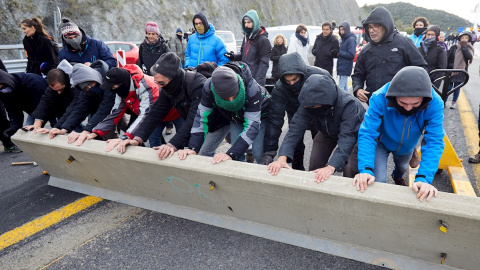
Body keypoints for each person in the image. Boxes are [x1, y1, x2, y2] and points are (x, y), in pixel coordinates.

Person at [352, 66, 444, 202]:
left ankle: (398, 175)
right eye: (403, 103)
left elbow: (434, 141)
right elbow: (367, 133)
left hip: (407, 145)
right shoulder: (379, 97)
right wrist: (365, 168)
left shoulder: (435, 103)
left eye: (415, 104)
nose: (408, 108)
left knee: (402, 167)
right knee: (377, 181)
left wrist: (424, 178)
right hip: (382, 142)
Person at [267, 73, 364, 183]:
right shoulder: (308, 103)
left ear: (324, 101)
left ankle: (348, 195)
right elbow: (295, 129)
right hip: (327, 132)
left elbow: (347, 138)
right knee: (315, 163)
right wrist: (282, 158)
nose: (307, 108)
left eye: (311, 107)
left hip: (355, 135)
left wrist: (331, 167)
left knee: (350, 168)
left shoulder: (350, 105)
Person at [110, 52, 206, 158]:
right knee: (188, 150)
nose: (159, 87)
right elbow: (155, 113)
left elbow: (193, 120)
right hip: (191, 119)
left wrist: (172, 144)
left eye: (161, 83)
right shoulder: (167, 87)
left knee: (203, 152)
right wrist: (137, 138)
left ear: (173, 78)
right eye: (156, 82)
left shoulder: (197, 85)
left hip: (214, 122)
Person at [178, 63, 270, 164]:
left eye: (234, 96)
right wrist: (193, 148)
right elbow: (201, 118)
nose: (231, 101)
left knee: (258, 153)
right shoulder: (208, 89)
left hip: (260, 115)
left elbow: (252, 127)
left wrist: (231, 154)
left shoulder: (253, 90)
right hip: (235, 117)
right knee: (236, 153)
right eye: (225, 98)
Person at [259, 52, 328, 170]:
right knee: (296, 146)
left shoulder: (319, 76)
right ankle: (297, 172)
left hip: (318, 114)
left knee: (319, 146)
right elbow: (275, 119)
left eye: (295, 79)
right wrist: (269, 152)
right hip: (295, 114)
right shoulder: (280, 89)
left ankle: (319, 171)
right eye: (288, 81)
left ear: (301, 73)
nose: (291, 83)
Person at [84, 64, 180, 147]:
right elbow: (115, 113)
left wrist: (126, 136)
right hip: (155, 117)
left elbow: (145, 114)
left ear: (122, 83)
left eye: (113, 87)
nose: (112, 90)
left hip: (174, 112)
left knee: (180, 142)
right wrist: (96, 131)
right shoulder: (121, 90)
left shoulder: (146, 86)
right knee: (154, 141)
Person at [352, 6, 427, 104]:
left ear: (386, 25)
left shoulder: (404, 43)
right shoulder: (365, 50)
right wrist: (358, 89)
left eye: (376, 26)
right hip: (374, 104)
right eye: (369, 27)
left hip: (400, 106)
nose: (371, 30)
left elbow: (422, 69)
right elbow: (358, 75)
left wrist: (411, 93)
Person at [46, 60, 116, 144]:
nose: (89, 89)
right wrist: (63, 129)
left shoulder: (109, 80)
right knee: (99, 135)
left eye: (90, 85)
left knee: (123, 129)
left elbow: (105, 109)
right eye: (86, 88)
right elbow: (80, 110)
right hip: (98, 108)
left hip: (117, 107)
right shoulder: (84, 91)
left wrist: (86, 130)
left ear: (94, 78)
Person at [24, 61, 79, 132]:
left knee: (75, 126)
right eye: (55, 90)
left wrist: (56, 127)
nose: (58, 92)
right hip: (62, 108)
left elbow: (72, 109)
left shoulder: (76, 85)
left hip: (76, 107)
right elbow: (45, 102)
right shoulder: (52, 87)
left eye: (60, 89)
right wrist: (37, 122)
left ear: (66, 81)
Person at [224, 9, 271, 87]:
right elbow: (242, 55)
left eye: (249, 22)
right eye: (245, 22)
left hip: (255, 80)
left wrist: (257, 83)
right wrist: (233, 56)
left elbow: (264, 64)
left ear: (255, 23)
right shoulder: (246, 38)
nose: (246, 25)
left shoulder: (263, 40)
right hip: (244, 76)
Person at [0, 69, 48, 144]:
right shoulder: (4, 93)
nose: (3, 90)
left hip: (52, 106)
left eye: (3, 87)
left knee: (59, 129)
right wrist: (14, 126)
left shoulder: (34, 83)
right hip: (33, 110)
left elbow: (43, 107)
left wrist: (37, 124)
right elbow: (13, 109)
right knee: (27, 133)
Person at [447, 30, 474, 109]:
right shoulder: (454, 47)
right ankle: (444, 100)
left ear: (469, 39)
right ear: (460, 38)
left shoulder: (469, 48)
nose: (464, 39)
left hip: (461, 71)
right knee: (448, 87)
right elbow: (447, 57)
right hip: (450, 70)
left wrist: (464, 47)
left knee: (456, 88)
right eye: (463, 38)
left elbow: (469, 57)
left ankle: (454, 102)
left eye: (466, 38)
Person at [336, 21, 357, 91]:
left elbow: (351, 54)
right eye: (340, 29)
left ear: (347, 29)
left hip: (346, 66)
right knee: (344, 88)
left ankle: (340, 101)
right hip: (342, 66)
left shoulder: (351, 39)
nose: (341, 31)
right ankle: (348, 101)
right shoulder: (344, 39)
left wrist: (339, 52)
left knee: (340, 88)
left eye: (343, 29)